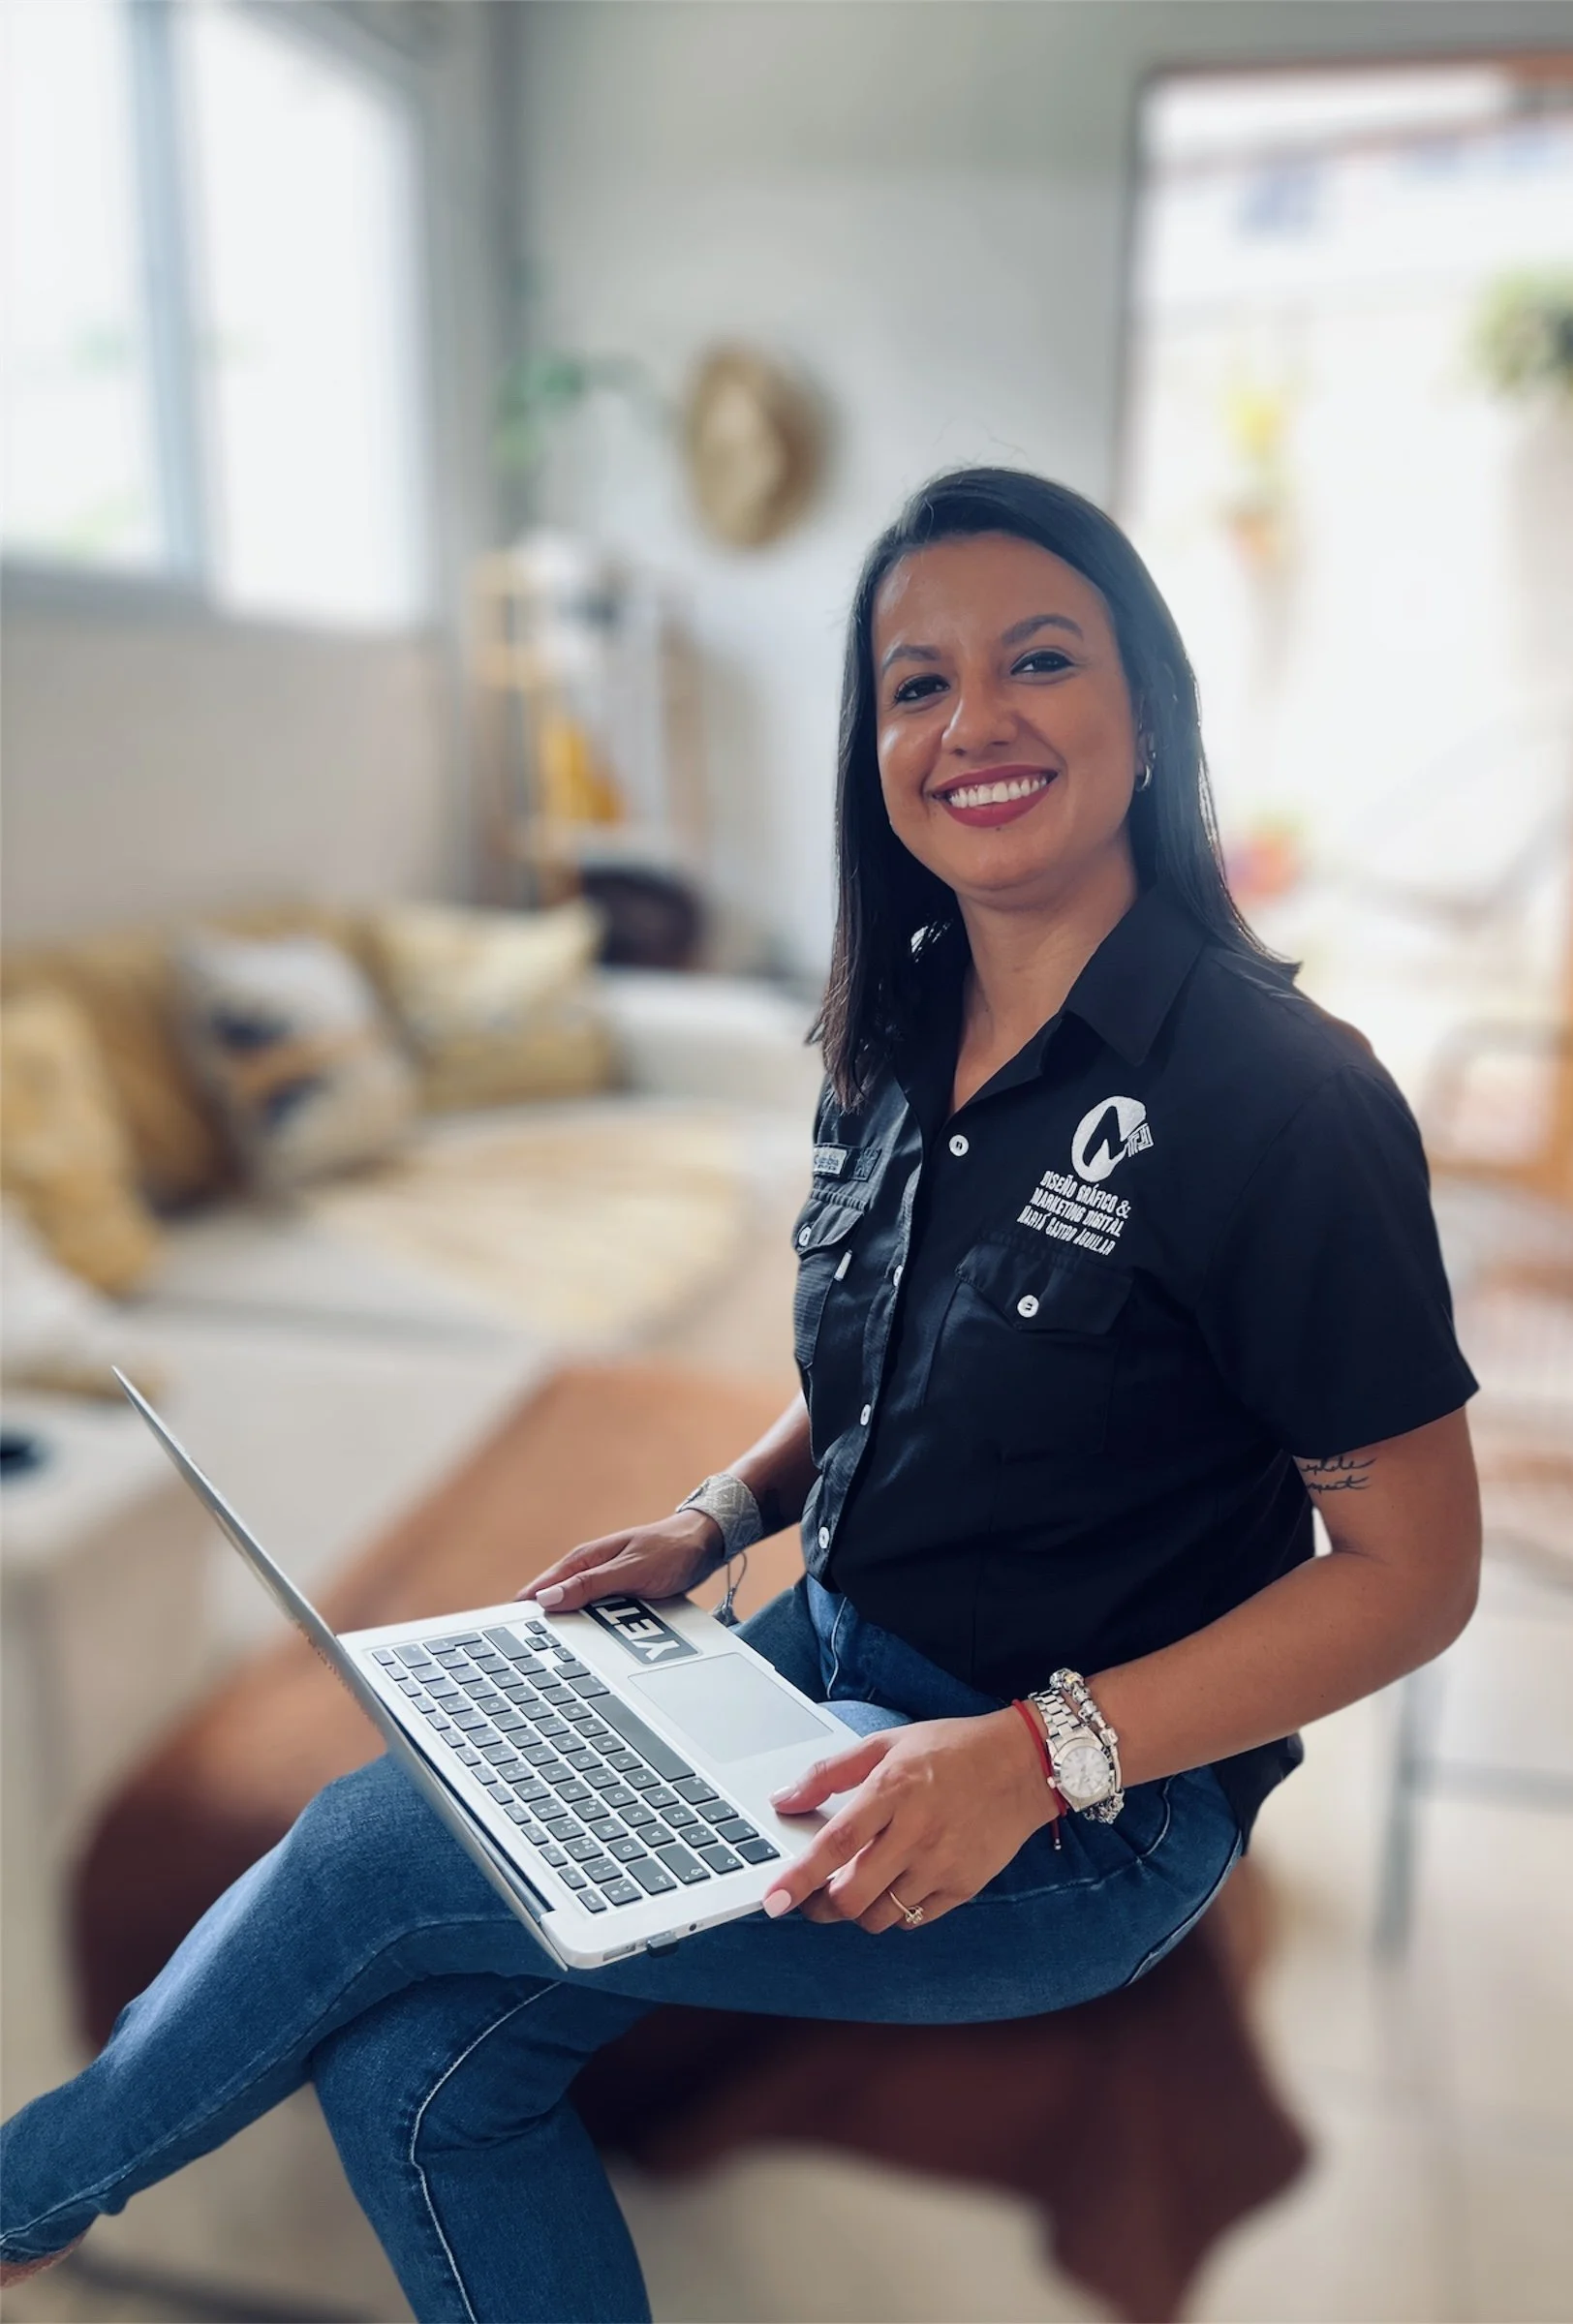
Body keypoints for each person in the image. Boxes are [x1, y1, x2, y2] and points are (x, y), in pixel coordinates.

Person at [0, 469, 1480, 2322]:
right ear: (874, 743)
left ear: (1151, 709)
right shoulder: (897, 1025)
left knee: (373, 1836)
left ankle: (28, 2190)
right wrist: (713, 1518)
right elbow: (889, 1370)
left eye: (1040, 660)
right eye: (915, 684)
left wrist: (1033, 1758)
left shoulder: (1285, 1097)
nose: (975, 722)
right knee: (418, 2081)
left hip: (1078, 1804)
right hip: (806, 1666)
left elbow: (1411, 1569)